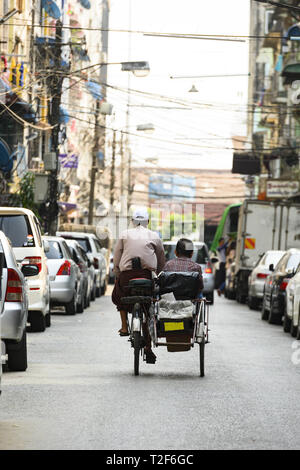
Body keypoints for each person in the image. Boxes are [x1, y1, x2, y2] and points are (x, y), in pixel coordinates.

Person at [112, 207, 165, 364]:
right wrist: (159, 273)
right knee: (147, 308)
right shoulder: (154, 235)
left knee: (118, 294)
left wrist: (117, 274)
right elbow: (161, 258)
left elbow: (117, 257)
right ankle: (148, 346)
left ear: (132, 221)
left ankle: (124, 326)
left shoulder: (124, 234)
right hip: (146, 276)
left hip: (126, 276)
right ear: (147, 221)